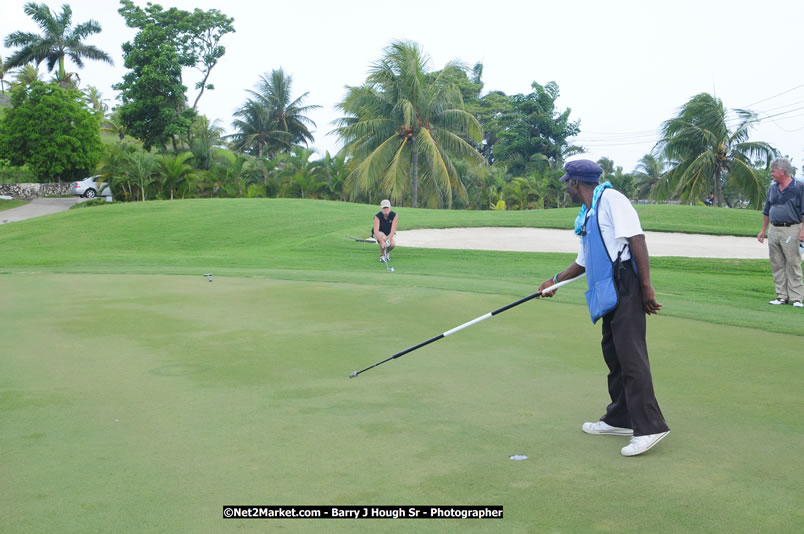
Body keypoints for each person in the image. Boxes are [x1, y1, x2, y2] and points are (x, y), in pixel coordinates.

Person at [538, 159, 670, 457]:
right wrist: (554, 282)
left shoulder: (612, 199)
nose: (566, 188)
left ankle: (651, 427)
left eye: (567, 183)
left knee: (631, 357)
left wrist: (646, 286)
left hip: (625, 284)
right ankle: (620, 418)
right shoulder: (588, 213)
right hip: (608, 289)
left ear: (575, 183)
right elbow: (584, 261)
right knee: (614, 354)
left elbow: (637, 239)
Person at [757, 157, 804, 307]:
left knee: (793, 262)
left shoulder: (799, 187)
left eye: (773, 171)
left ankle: (797, 298)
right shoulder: (773, 188)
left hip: (792, 229)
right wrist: (763, 230)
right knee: (776, 263)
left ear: (782, 171)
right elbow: (766, 211)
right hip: (774, 229)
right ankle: (781, 296)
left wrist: (803, 231)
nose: (772, 174)